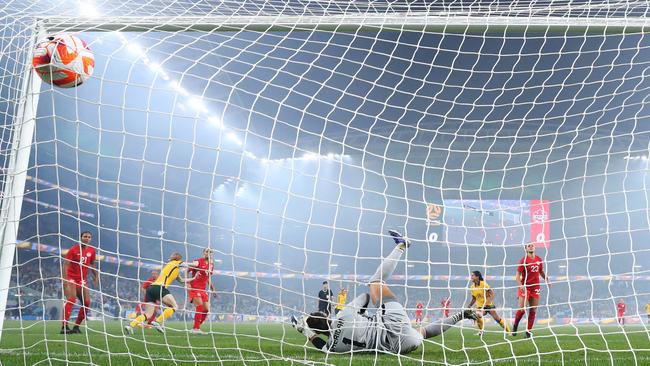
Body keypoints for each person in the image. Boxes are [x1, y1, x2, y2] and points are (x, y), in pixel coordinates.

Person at [291, 230, 477, 354]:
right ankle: (401, 246)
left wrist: (305, 331)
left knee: (423, 332)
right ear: (325, 315)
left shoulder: (333, 347)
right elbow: (364, 297)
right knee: (375, 282)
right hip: (390, 324)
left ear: (318, 331)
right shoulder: (342, 315)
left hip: (398, 346)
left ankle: (461, 315)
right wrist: (359, 314)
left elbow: (321, 346)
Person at [124, 252, 196, 334]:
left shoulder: (173, 268)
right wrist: (198, 264)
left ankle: (130, 325)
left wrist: (194, 278)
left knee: (148, 314)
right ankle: (157, 321)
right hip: (160, 287)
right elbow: (189, 264)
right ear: (179, 259)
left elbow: (182, 280)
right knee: (174, 306)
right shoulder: (175, 263)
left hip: (151, 289)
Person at [61, 231, 98, 334]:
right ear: (81, 237)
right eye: (85, 236)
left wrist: (96, 276)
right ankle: (64, 327)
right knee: (71, 300)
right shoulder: (73, 249)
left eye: (89, 237)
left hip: (82, 280)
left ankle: (76, 327)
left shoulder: (92, 251)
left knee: (87, 303)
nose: (87, 238)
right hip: (71, 278)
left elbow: (92, 264)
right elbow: (65, 265)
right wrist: (65, 280)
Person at [512, 243, 550, 338]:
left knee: (533, 310)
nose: (531, 246)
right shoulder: (523, 260)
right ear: (525, 249)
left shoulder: (539, 259)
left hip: (535, 287)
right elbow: (517, 276)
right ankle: (515, 325)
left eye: (532, 245)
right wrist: (520, 286)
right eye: (528, 245)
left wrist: (547, 280)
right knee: (522, 310)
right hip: (525, 287)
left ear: (535, 247)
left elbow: (541, 271)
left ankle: (528, 332)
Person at [467, 270, 510, 336]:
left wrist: (487, 303)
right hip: (480, 306)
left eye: (472, 275)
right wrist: (469, 305)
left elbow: (492, 294)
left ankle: (508, 332)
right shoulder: (472, 287)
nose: (471, 277)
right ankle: (481, 332)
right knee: (477, 315)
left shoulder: (484, 284)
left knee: (497, 319)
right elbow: (474, 298)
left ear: (477, 276)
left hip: (488, 305)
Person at [187, 248, 217, 334]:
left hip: (203, 289)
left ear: (212, 254)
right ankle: (196, 329)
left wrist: (213, 289)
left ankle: (196, 326)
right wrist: (187, 283)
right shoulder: (198, 261)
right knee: (199, 307)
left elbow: (208, 278)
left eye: (210, 252)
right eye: (207, 251)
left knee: (206, 309)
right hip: (194, 288)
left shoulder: (211, 265)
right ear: (203, 253)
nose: (209, 253)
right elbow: (187, 270)